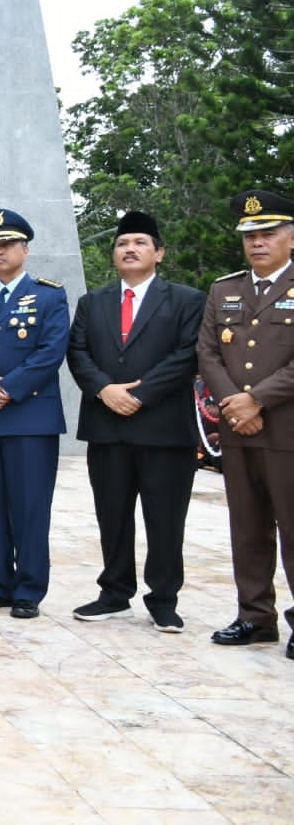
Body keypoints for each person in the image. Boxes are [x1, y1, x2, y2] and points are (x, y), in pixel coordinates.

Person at [66, 211, 204, 631]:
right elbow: (78, 352)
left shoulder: (186, 300)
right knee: (112, 514)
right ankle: (114, 592)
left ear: (158, 253)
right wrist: (106, 390)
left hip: (163, 429)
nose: (130, 249)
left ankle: (163, 598)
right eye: (123, 244)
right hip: (107, 427)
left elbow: (187, 355)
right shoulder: (93, 302)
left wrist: (138, 394)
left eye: (141, 243)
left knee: (165, 517)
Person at [0, 210, 71, 620]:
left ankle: (29, 589)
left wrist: (6, 388)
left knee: (30, 506)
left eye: (6, 244)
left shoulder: (49, 295)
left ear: (25, 248)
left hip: (30, 417)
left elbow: (50, 353)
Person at [196, 188, 294, 657]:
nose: (257, 242)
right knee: (248, 526)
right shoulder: (225, 289)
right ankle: (255, 616)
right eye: (250, 235)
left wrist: (255, 400)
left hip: (286, 430)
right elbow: (208, 352)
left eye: (268, 233)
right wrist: (235, 404)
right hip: (238, 429)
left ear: (290, 238)